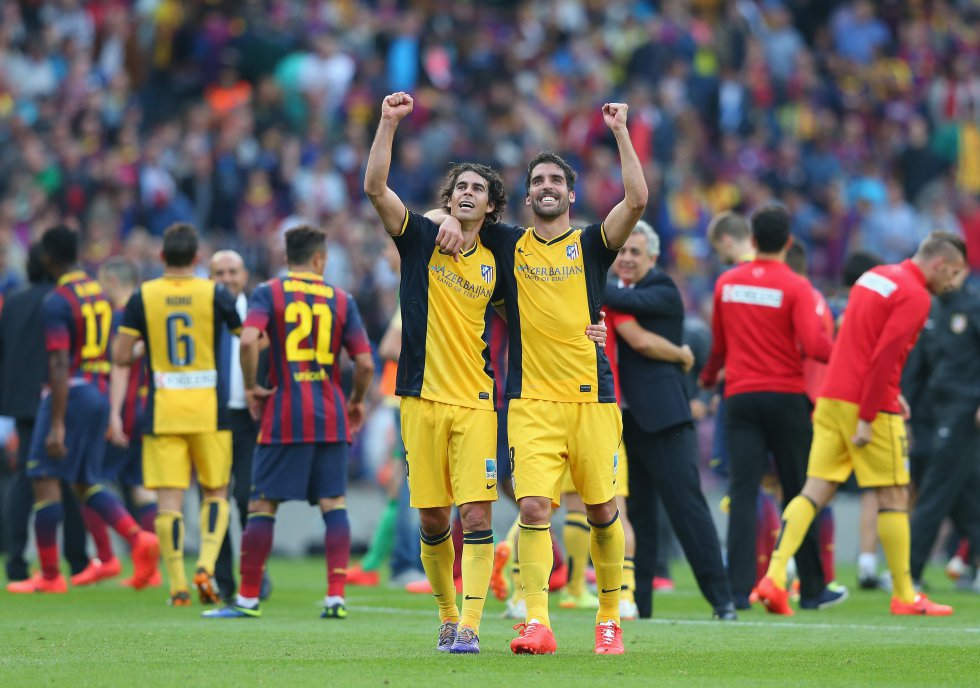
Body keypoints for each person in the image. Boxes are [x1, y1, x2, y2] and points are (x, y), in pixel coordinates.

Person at [440, 103, 646, 655]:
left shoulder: (592, 245)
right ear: (527, 197)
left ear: (571, 194)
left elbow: (637, 200)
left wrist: (620, 132)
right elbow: (452, 213)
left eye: (556, 180)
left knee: (602, 511)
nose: (547, 187)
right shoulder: (508, 244)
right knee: (533, 508)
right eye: (538, 181)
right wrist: (446, 221)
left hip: (592, 400)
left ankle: (608, 620)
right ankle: (537, 621)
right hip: (531, 401)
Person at [362, 91, 507, 655]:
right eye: (459, 188)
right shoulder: (422, 238)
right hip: (419, 398)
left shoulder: (499, 260)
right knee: (431, 518)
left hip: (475, 400)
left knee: (476, 512)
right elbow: (376, 188)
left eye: (477, 189)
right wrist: (387, 123)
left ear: (491, 207)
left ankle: (470, 625)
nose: (467, 193)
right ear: (448, 199)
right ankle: (447, 614)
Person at [757, 231, 967, 617]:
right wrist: (870, 414)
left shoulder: (874, 276)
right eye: (953, 273)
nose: (952, 283)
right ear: (939, 263)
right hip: (868, 405)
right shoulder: (915, 295)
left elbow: (855, 340)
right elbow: (885, 355)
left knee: (813, 490)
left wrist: (889, 392)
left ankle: (774, 577)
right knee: (895, 495)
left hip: (833, 396)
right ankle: (905, 594)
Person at [203, 224, 374, 620]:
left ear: (286, 258)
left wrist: (251, 386)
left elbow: (248, 339)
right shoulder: (342, 299)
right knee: (334, 503)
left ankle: (248, 599)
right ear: (320, 259)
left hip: (284, 413)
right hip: (330, 414)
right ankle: (335, 598)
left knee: (262, 504)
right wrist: (356, 401)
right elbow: (364, 363)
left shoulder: (268, 292)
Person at [700, 206, 843, 611]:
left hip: (740, 398)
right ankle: (812, 588)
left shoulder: (727, 283)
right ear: (788, 242)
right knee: (799, 491)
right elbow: (814, 346)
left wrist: (708, 378)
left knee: (743, 492)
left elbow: (719, 345)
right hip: (786, 398)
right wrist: (847, 354)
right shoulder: (797, 287)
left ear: (754, 240)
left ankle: (737, 591)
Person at [8, 226, 159, 594]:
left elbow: (60, 363)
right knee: (85, 480)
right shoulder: (98, 293)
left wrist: (57, 423)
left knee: (43, 478)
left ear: (48, 258)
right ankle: (138, 537)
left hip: (71, 393)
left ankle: (49, 575)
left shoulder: (57, 301)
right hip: (99, 391)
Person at [604, 221, 737, 621]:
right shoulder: (621, 293)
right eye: (621, 252)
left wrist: (584, 274)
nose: (627, 259)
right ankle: (641, 604)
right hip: (627, 421)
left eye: (635, 252)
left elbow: (621, 311)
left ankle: (722, 600)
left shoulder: (662, 289)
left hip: (666, 419)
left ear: (654, 257)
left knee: (687, 508)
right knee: (640, 514)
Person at [113, 223, 241, 606]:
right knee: (215, 492)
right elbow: (248, 339)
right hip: (209, 410)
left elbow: (120, 355)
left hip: (164, 411)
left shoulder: (143, 296)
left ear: (161, 256)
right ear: (198, 258)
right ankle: (206, 565)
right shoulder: (215, 293)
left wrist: (143, 348)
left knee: (169, 501)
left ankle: (178, 586)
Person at [1, 242, 90, 585]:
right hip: (57, 397)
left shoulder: (13, 301)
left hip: (20, 400)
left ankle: (16, 562)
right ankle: (77, 560)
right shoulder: (61, 301)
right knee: (67, 476)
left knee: (26, 480)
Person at [74, 257, 159, 588]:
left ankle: (106, 557)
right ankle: (150, 570)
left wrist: (113, 413)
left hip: (122, 410)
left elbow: (118, 365)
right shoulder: (149, 314)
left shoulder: (120, 317)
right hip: (148, 408)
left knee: (87, 480)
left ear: (111, 281)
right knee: (141, 488)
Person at [908, 271, 980, 586]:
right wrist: (902, 408)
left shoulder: (974, 306)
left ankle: (908, 572)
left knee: (935, 489)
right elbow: (917, 368)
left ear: (962, 270)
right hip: (932, 414)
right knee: (966, 492)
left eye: (953, 271)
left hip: (965, 411)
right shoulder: (930, 310)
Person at [208, 250, 268, 603]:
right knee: (214, 500)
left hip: (249, 419)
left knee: (248, 498)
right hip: (212, 419)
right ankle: (222, 580)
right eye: (220, 273)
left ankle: (254, 574)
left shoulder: (258, 313)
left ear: (244, 275)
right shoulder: (204, 315)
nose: (227, 278)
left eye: (232, 271)